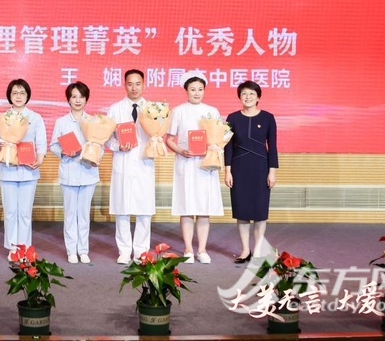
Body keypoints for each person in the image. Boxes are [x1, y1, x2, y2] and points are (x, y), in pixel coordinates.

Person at [166, 70, 222, 264]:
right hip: (187, 163)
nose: (197, 93)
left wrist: (213, 148)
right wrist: (181, 151)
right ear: (186, 91)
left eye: (200, 89)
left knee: (204, 208)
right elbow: (169, 139)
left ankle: (202, 250)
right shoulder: (178, 111)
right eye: (193, 89)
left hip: (205, 165)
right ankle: (188, 249)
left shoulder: (212, 111)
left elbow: (220, 137)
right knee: (187, 207)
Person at [0, 79, 47, 256]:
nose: (18, 96)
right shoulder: (2, 118)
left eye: (22, 93)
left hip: (29, 171)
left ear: (28, 95)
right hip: (7, 170)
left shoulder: (35, 118)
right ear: (9, 96)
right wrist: (0, 146)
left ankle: (24, 248)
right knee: (10, 212)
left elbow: (41, 142)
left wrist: (40, 158)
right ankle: (12, 248)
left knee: (24, 212)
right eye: (15, 93)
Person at [224, 80, 278, 263]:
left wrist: (272, 171)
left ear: (258, 97)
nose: (248, 97)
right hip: (239, 168)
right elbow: (228, 147)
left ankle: (259, 249)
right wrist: (228, 171)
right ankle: (245, 250)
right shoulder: (232, 118)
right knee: (242, 211)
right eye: (244, 94)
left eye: (252, 94)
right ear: (240, 96)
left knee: (260, 212)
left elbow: (273, 147)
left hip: (261, 168)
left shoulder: (268, 118)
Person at [106, 69, 155, 265]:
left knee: (144, 211)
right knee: (122, 209)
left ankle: (141, 251)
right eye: (130, 84)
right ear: (124, 85)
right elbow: (106, 137)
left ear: (144, 85)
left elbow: (158, 134)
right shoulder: (115, 109)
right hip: (123, 162)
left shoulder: (153, 110)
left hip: (144, 163)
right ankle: (124, 250)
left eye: (138, 84)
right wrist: (118, 146)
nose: (134, 88)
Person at [50, 81, 99, 264]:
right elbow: (53, 146)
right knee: (70, 214)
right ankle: (71, 250)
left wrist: (96, 156)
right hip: (69, 172)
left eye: (81, 96)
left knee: (84, 214)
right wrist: (64, 152)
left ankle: (83, 250)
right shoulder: (61, 122)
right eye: (74, 96)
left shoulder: (94, 121)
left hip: (88, 172)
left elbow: (99, 145)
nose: (78, 100)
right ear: (68, 100)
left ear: (86, 99)